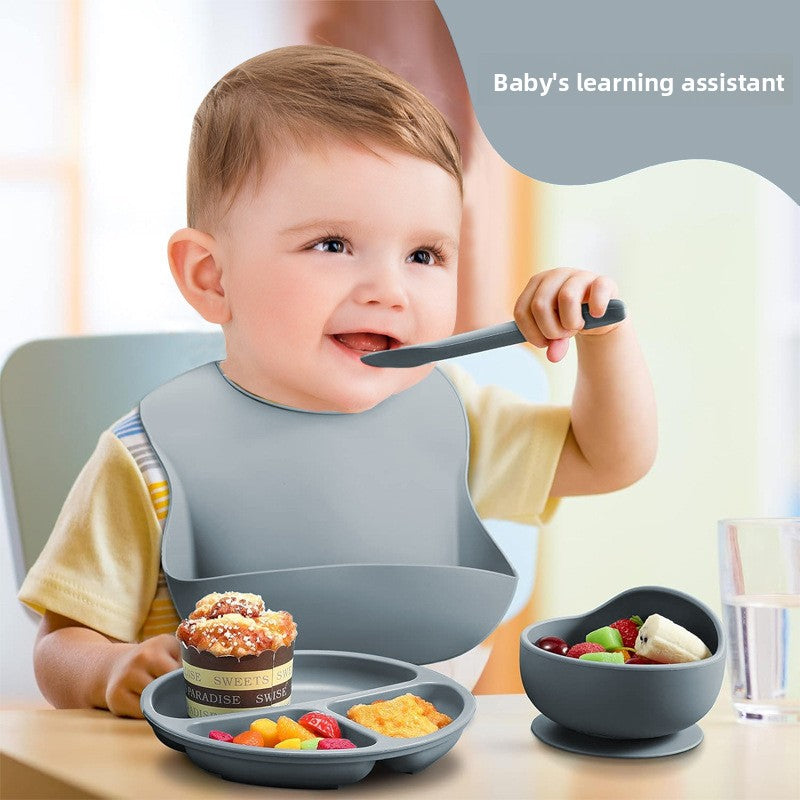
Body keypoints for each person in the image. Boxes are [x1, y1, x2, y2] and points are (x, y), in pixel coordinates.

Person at [19, 45, 657, 718]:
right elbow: (61, 647)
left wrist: (605, 339)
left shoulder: (458, 422)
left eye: (424, 254)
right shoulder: (146, 457)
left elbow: (609, 456)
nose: (389, 290)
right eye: (331, 244)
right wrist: (111, 669)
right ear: (213, 277)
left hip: (416, 765)